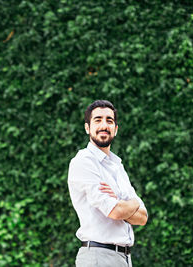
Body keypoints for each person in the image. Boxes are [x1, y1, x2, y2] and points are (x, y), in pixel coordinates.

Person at [68, 100, 148, 267]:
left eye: (109, 121)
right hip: (98, 257)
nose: (104, 125)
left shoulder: (117, 166)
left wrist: (119, 202)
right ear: (87, 128)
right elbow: (115, 211)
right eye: (98, 120)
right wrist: (133, 202)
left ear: (115, 129)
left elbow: (142, 218)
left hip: (123, 259)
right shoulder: (84, 162)